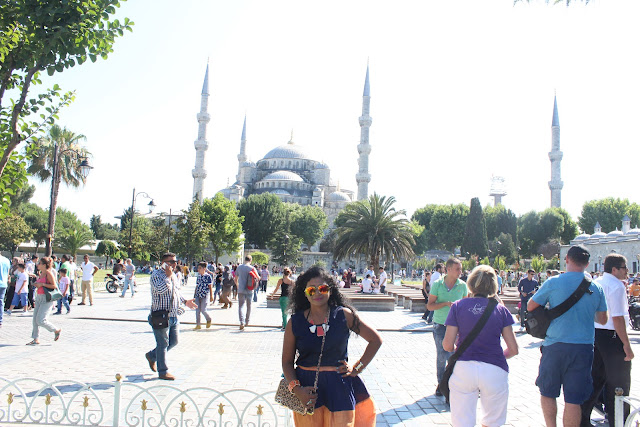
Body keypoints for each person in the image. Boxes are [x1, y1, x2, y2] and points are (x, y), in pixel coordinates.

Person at [282, 267, 382, 425]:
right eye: (311, 290)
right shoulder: (295, 322)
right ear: (304, 292)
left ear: (330, 289)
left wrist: (357, 368)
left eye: (322, 288)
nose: (317, 293)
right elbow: (287, 362)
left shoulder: (343, 315)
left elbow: (375, 340)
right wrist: (297, 390)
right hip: (307, 390)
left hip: (339, 387)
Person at [528, 245, 608, 427]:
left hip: (555, 345)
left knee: (548, 391)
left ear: (567, 260)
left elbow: (531, 306)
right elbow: (603, 320)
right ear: (587, 264)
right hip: (583, 347)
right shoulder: (596, 287)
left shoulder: (553, 282)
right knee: (574, 399)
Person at [443, 265, 519, 427]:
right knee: (492, 422)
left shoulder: (458, 306)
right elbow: (513, 349)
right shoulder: (501, 310)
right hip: (494, 369)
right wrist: (497, 356)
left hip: (464, 369)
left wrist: (460, 350)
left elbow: (447, 345)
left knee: (463, 422)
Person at [580, 254, 634, 427]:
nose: (627, 271)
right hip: (612, 336)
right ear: (615, 269)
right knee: (619, 382)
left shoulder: (597, 282)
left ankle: (583, 418)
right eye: (624, 267)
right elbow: (617, 318)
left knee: (595, 379)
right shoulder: (616, 286)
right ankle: (618, 421)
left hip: (595, 334)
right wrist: (626, 344)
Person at [144, 253, 197, 380]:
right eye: (172, 262)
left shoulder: (173, 275)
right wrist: (168, 277)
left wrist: (185, 301)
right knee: (162, 343)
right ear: (164, 263)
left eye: (175, 261)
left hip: (174, 314)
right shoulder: (156, 275)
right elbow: (161, 290)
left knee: (173, 341)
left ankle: (152, 356)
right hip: (160, 315)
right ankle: (163, 371)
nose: (175, 264)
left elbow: (176, 291)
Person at [426, 257, 468, 397]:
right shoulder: (437, 284)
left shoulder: (462, 286)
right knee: (442, 355)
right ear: (448, 270)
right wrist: (445, 304)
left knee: (454, 355)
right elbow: (429, 305)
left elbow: (466, 305)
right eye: (457, 269)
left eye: (461, 269)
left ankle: (451, 382)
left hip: (457, 326)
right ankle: (441, 384)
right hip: (440, 325)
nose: (460, 272)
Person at [27, 257, 62, 345]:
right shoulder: (41, 273)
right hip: (39, 297)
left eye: (40, 263)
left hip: (46, 298)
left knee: (41, 320)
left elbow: (54, 286)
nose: (38, 264)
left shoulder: (48, 273)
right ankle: (35, 339)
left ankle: (55, 330)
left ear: (44, 265)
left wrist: (42, 284)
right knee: (35, 320)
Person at [235, 255, 259, 330]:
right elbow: (258, 278)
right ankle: (247, 321)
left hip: (241, 289)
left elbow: (235, 279)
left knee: (241, 306)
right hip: (250, 289)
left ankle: (241, 322)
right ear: (250, 260)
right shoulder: (252, 268)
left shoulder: (239, 267)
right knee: (249, 306)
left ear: (244, 259)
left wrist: (238, 286)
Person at [193, 262, 213, 330]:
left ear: (204, 268)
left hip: (205, 295)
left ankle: (208, 319)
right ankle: (198, 324)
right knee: (197, 310)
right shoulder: (198, 276)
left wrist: (211, 296)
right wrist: (194, 296)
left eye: (200, 268)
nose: (198, 269)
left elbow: (210, 286)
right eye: (198, 268)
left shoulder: (208, 276)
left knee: (203, 310)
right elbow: (197, 286)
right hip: (198, 295)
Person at [0, 254, 10, 326]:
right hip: (3, 283)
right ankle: (0, 320)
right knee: (1, 301)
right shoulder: (6, 260)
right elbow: (8, 272)